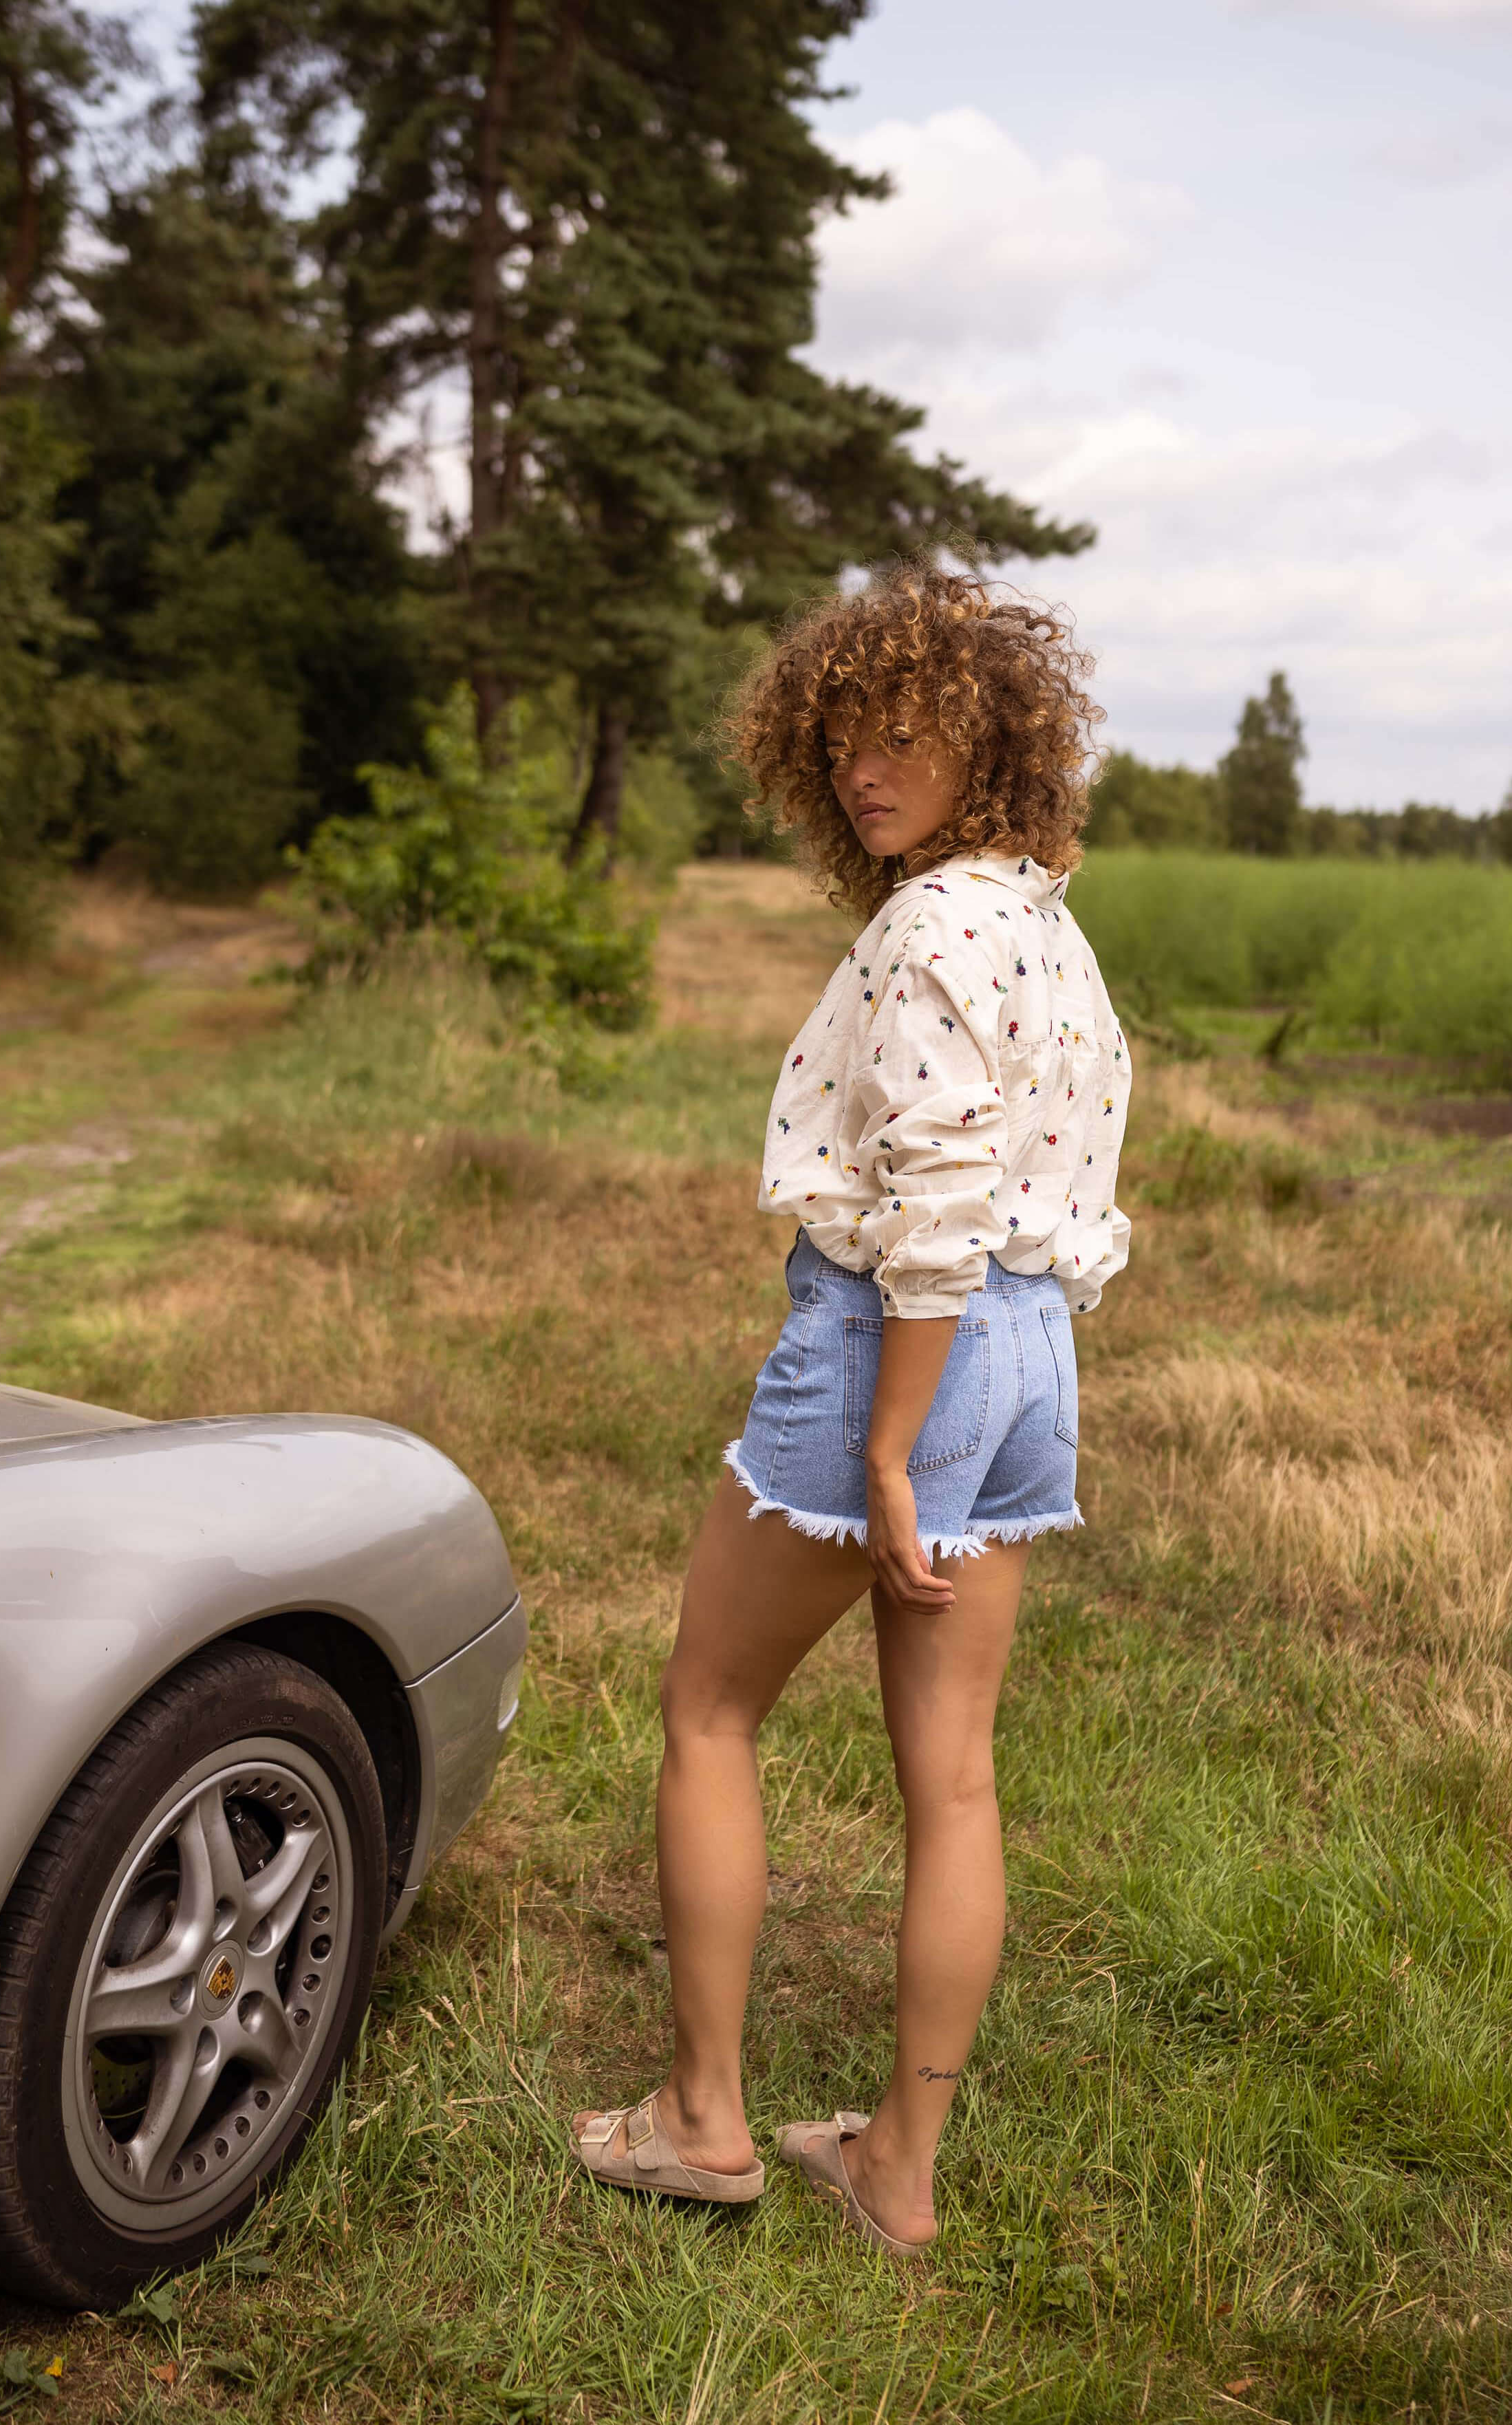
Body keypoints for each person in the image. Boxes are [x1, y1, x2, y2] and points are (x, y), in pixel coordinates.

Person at [566, 561, 1132, 2256]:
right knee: (951, 1776)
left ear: (992, 742)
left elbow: (941, 1201)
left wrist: (889, 1442)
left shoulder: (928, 926)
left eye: (903, 733)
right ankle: (897, 2161)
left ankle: (703, 2117)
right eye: (838, 741)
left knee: (709, 1710)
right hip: (1035, 1350)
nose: (862, 767)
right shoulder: (1045, 922)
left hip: (920, 1327)